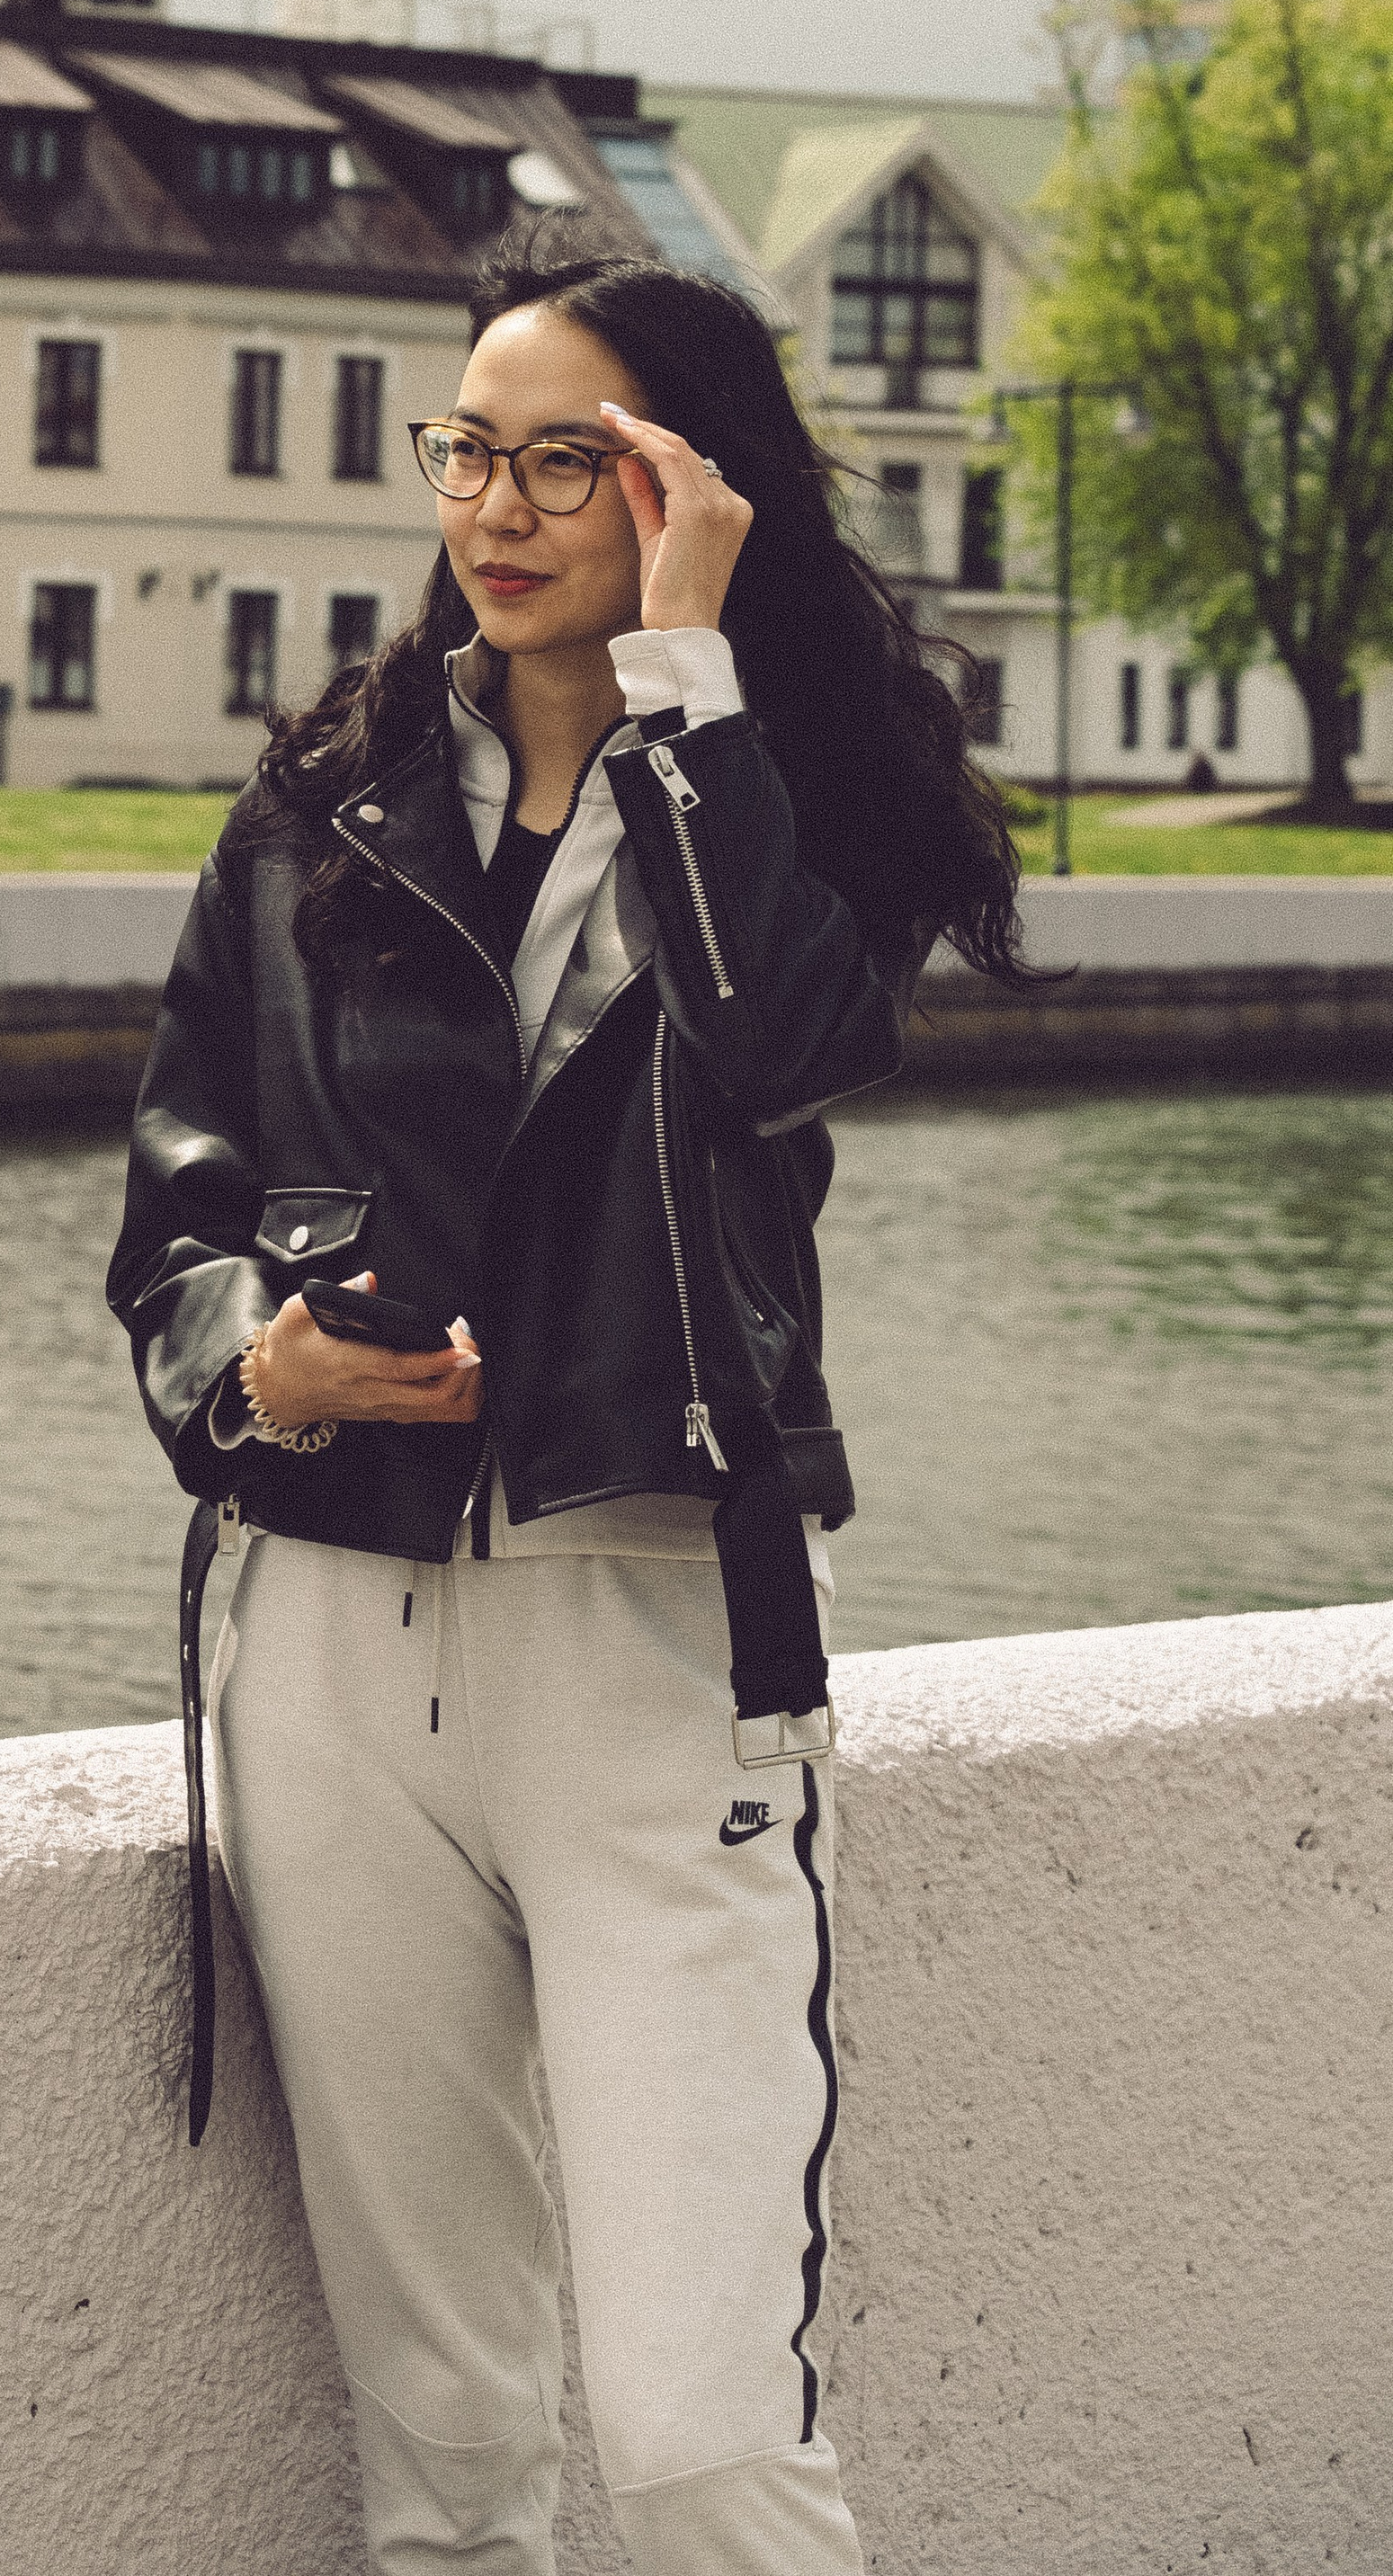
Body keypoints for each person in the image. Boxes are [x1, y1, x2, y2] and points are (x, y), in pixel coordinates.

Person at [108, 239, 1028, 2576]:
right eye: (468, 450)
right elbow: (168, 1229)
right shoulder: (323, 802)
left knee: (708, 2440)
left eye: (566, 462)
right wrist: (272, 1365)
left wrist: (688, 682)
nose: (496, 508)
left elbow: (779, 1044)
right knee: (447, 2460)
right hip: (327, 1660)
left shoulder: (777, 804)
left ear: (686, 493)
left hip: (656, 1657)